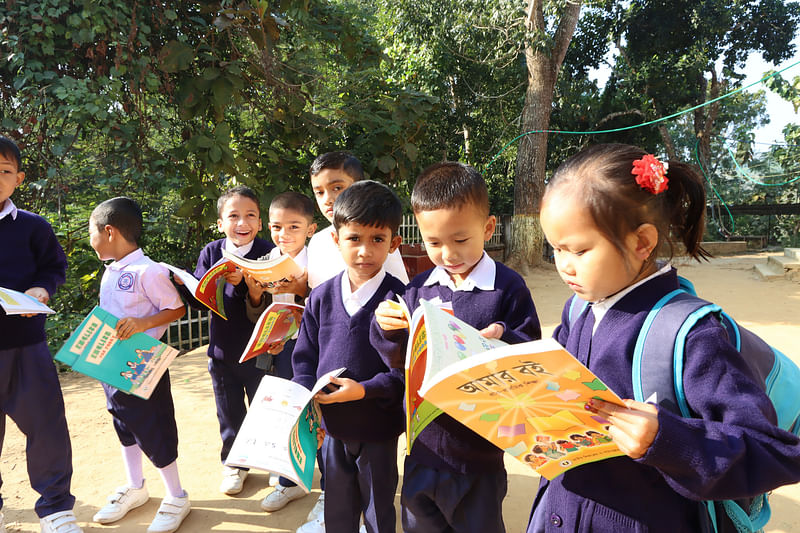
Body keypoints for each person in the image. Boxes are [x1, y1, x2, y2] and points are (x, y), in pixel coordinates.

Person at [527, 143, 800, 531]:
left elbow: (775, 452)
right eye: (555, 249)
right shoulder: (578, 310)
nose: (564, 266)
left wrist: (670, 441)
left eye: (580, 250)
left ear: (642, 242)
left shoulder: (692, 336)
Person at [373, 162, 540, 533]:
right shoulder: (418, 289)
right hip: (423, 446)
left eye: (460, 240)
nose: (448, 253)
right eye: (434, 243)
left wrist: (502, 339)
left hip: (478, 452)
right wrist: (387, 330)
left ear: (489, 227)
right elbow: (399, 361)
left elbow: (527, 351)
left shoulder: (507, 288)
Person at [301, 151, 409, 531]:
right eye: (354, 238)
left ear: (394, 243)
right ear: (335, 239)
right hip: (332, 429)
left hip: (378, 430)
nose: (365, 250)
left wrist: (363, 391)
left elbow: (405, 374)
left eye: (378, 238)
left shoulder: (401, 301)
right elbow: (304, 358)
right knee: (338, 512)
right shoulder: (320, 297)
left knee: (379, 512)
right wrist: (302, 401)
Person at [88, 197, 189, 533]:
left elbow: (176, 309)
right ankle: (136, 486)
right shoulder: (111, 271)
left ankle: (176, 495)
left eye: (92, 233)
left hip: (144, 363)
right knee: (123, 422)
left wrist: (143, 324)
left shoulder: (150, 271)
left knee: (153, 425)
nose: (91, 241)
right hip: (111, 365)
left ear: (109, 231)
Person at [0, 136, 82, 533]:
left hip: (26, 344)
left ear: (19, 178)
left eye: (5, 171)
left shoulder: (32, 226)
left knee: (46, 424)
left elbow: (53, 268)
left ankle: (56, 507)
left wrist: (42, 288)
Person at [175, 185, 274, 496]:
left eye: (250, 216)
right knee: (229, 411)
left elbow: (272, 302)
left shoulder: (269, 253)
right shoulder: (211, 252)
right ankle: (235, 464)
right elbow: (200, 300)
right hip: (221, 351)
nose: (241, 223)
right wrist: (183, 285)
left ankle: (272, 461)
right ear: (220, 222)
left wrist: (245, 285)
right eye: (233, 216)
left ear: (260, 222)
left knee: (265, 407)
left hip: (260, 349)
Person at [243, 191, 316, 512]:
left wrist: (302, 289)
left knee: (315, 413)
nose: (283, 235)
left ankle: (330, 485)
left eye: (293, 227)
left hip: (311, 346)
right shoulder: (265, 260)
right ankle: (289, 481)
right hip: (278, 348)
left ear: (311, 229)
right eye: (276, 227)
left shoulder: (318, 260)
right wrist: (255, 294)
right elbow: (256, 312)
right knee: (284, 411)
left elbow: (326, 304)